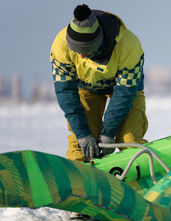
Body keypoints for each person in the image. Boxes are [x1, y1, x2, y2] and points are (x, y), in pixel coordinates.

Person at [50, 4, 148, 162]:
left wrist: (108, 133)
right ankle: (78, 182)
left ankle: (139, 179)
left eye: (86, 51)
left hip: (127, 92)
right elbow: (66, 93)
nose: (81, 56)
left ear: (97, 43)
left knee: (130, 141)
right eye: (77, 51)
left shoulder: (129, 45)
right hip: (87, 90)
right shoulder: (60, 46)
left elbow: (124, 94)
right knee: (81, 148)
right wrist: (82, 134)